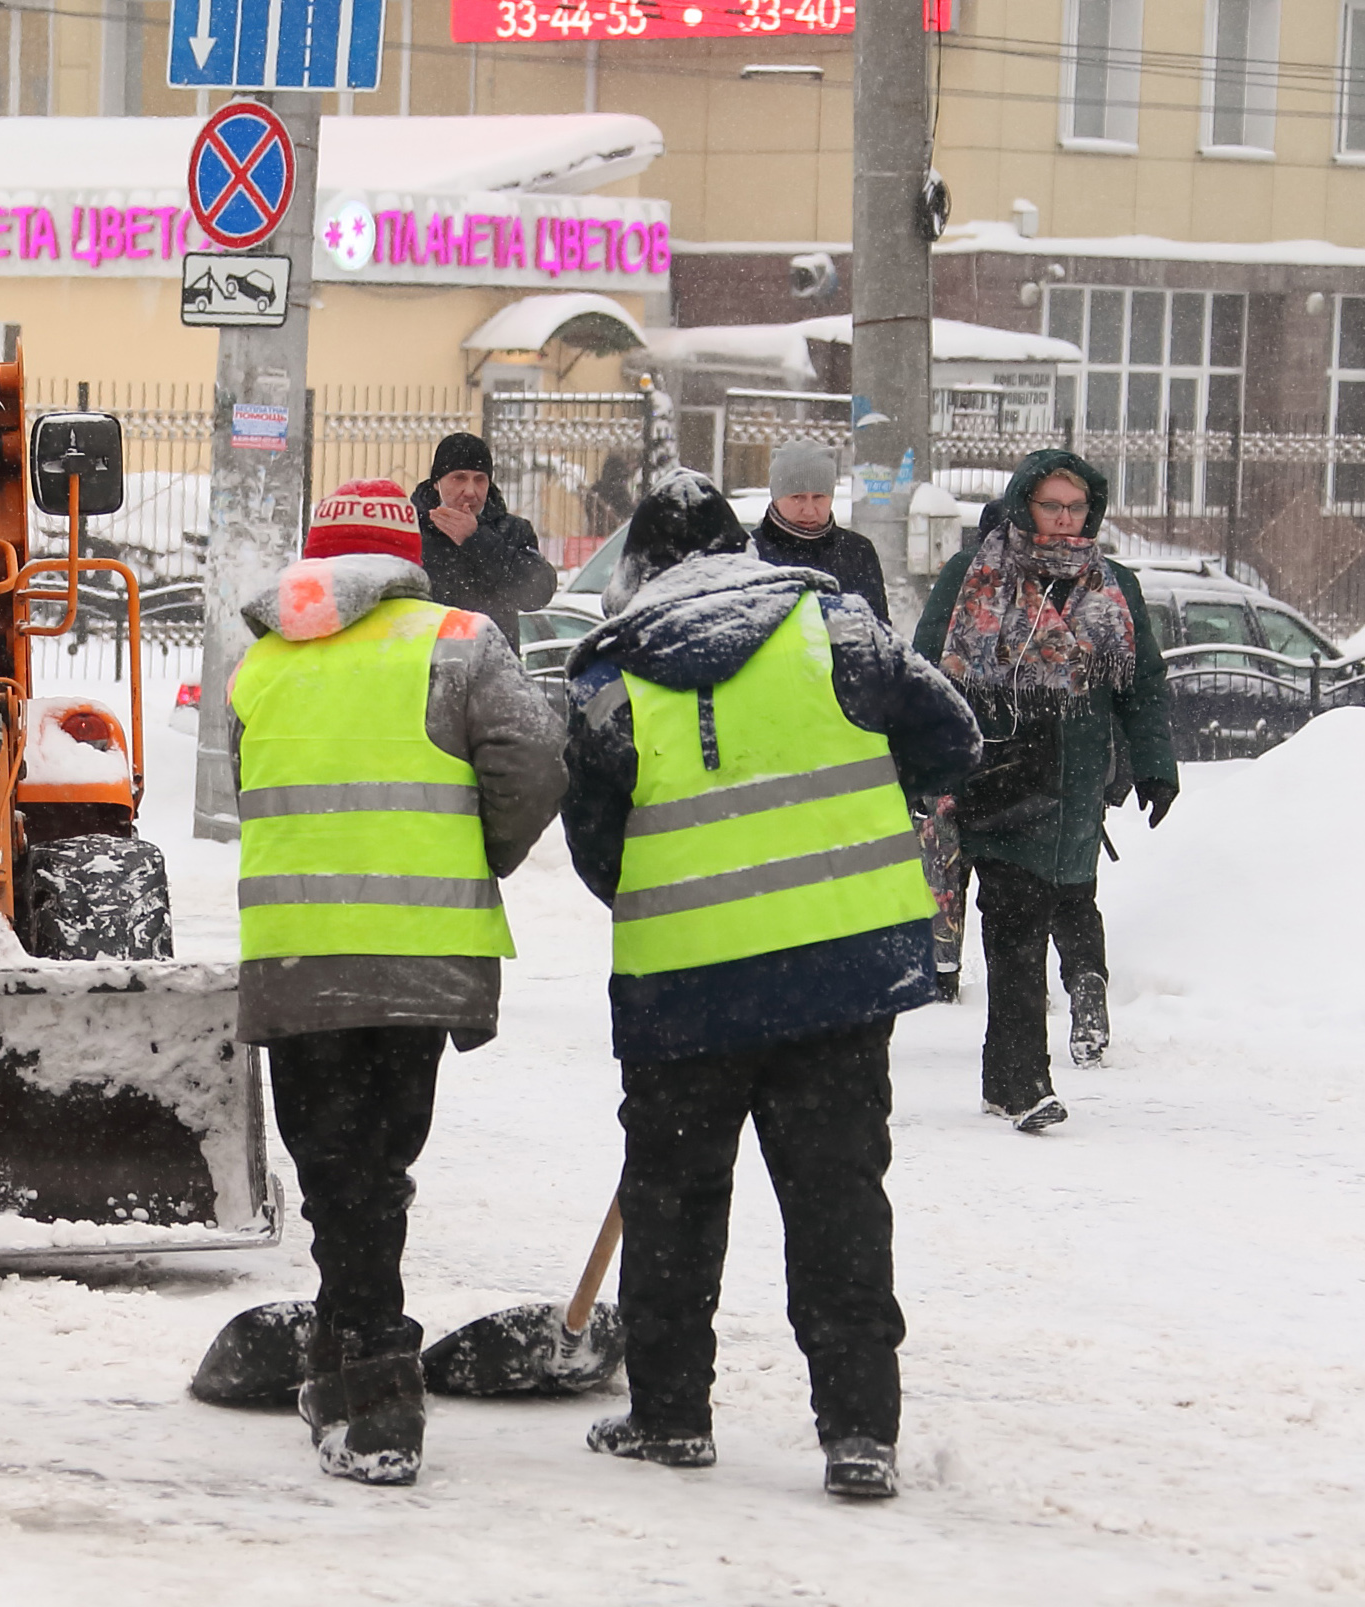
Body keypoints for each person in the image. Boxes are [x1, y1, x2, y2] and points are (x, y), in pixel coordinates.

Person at [563, 469, 980, 1499]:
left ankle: (670, 1416)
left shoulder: (610, 677)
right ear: (740, 546)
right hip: (840, 974)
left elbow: (597, 849)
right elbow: (953, 737)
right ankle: (858, 1433)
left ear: (640, 567)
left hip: (684, 985)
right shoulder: (837, 628)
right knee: (838, 1199)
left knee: (675, 1202)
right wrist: (876, 811)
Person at [229, 477, 565, 1485]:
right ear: (405, 553)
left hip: (300, 949)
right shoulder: (459, 641)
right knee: (377, 1161)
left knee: (338, 1169)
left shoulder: (263, 659)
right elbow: (536, 759)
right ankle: (353, 1357)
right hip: (417, 948)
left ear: (314, 555)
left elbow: (256, 791)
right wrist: (476, 853)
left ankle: (374, 1381)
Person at [914, 450, 1176, 1132]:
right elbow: (925, 672)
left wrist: (1154, 763)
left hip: (1078, 784)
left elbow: (1142, 682)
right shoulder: (975, 576)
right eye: (1050, 506)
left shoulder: (1110, 585)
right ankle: (1021, 1081)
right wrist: (929, 764)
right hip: (1000, 778)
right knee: (1014, 928)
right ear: (1021, 504)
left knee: (1059, 906)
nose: (1063, 520)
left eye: (1075, 507)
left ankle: (1010, 1078)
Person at [409, 433, 556, 649]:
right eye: (459, 478)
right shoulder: (410, 529)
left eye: (480, 479)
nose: (470, 491)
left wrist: (476, 540)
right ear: (436, 483)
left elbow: (537, 594)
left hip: (492, 668)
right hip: (425, 665)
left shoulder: (513, 530)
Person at [749, 439, 890, 619]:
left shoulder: (857, 552)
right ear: (776, 497)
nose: (809, 510)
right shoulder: (749, 552)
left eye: (819, 497)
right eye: (797, 497)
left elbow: (879, 630)